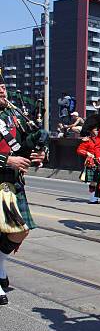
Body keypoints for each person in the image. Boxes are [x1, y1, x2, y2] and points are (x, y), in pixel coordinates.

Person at [0, 75, 48, 305]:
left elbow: (24, 144)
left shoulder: (13, 115)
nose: (2, 91)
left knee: (19, 231)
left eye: (2, 86)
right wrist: (6, 161)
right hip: (4, 174)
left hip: (12, 183)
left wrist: (38, 153)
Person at [76, 121, 100, 204]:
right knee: (94, 181)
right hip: (92, 163)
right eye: (96, 130)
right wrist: (87, 153)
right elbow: (79, 150)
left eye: (98, 130)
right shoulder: (87, 140)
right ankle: (93, 198)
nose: (98, 131)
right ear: (91, 130)